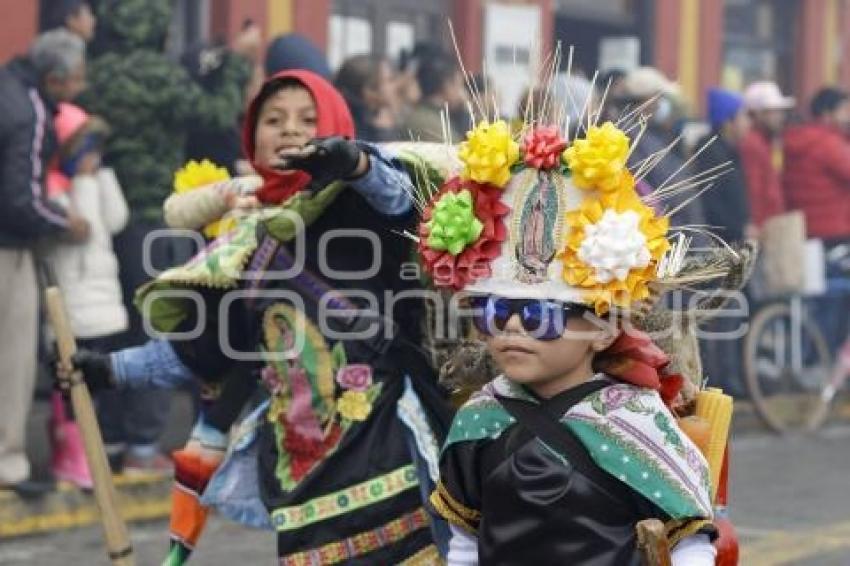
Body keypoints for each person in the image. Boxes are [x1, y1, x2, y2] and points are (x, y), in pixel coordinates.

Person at [62, 69, 453, 564]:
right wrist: (104, 368)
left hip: (388, 456)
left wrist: (352, 164)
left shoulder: (359, 208)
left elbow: (399, 202)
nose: (289, 129)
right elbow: (197, 352)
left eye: (308, 119)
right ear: (251, 136)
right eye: (273, 119)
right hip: (300, 487)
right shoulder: (238, 250)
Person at [420, 107, 720, 564]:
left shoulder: (634, 420)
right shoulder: (478, 418)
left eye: (540, 314)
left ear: (603, 328)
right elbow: (464, 538)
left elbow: (688, 542)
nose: (514, 327)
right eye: (496, 311)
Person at [80, 0, 257, 473]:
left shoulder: (96, 72)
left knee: (113, 328)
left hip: (105, 214)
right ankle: (141, 445)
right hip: (157, 214)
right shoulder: (159, 74)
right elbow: (216, 112)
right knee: (160, 324)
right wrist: (236, 63)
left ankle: (112, 437)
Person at [0, 29, 90, 495]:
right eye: (76, 78)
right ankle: (7, 466)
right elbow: (20, 199)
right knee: (11, 361)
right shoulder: (31, 109)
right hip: (8, 249)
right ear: (55, 78)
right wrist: (63, 221)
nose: (80, 86)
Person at [45, 103, 129, 488]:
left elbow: (116, 219)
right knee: (70, 382)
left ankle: (83, 447)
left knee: (94, 380)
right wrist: (81, 180)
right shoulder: (56, 193)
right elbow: (88, 229)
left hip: (102, 300)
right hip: (75, 305)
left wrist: (102, 176)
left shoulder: (94, 183)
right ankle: (70, 450)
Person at [783, 87, 850, 354]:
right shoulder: (830, 144)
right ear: (827, 113)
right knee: (834, 299)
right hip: (836, 232)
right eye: (844, 111)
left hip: (807, 231)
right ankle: (830, 360)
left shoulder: (795, 141)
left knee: (818, 298)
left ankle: (814, 358)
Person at [695, 88, 753, 398]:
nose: (748, 123)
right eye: (743, 116)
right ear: (728, 120)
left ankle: (732, 377)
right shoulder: (711, 154)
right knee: (723, 316)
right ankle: (721, 380)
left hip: (734, 245)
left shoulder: (729, 150)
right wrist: (738, 229)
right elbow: (712, 205)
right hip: (721, 248)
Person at [740, 81, 793, 230]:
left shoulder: (767, 142)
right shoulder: (752, 144)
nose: (780, 117)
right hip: (763, 229)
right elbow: (754, 192)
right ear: (757, 114)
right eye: (773, 112)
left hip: (770, 225)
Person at [400, 50, 467, 143]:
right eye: (459, 85)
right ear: (447, 86)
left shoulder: (421, 116)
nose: (462, 94)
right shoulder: (434, 126)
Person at [334, 54, 401, 142]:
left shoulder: (376, 116)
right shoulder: (353, 129)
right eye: (389, 80)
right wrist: (383, 132)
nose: (395, 86)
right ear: (369, 90)